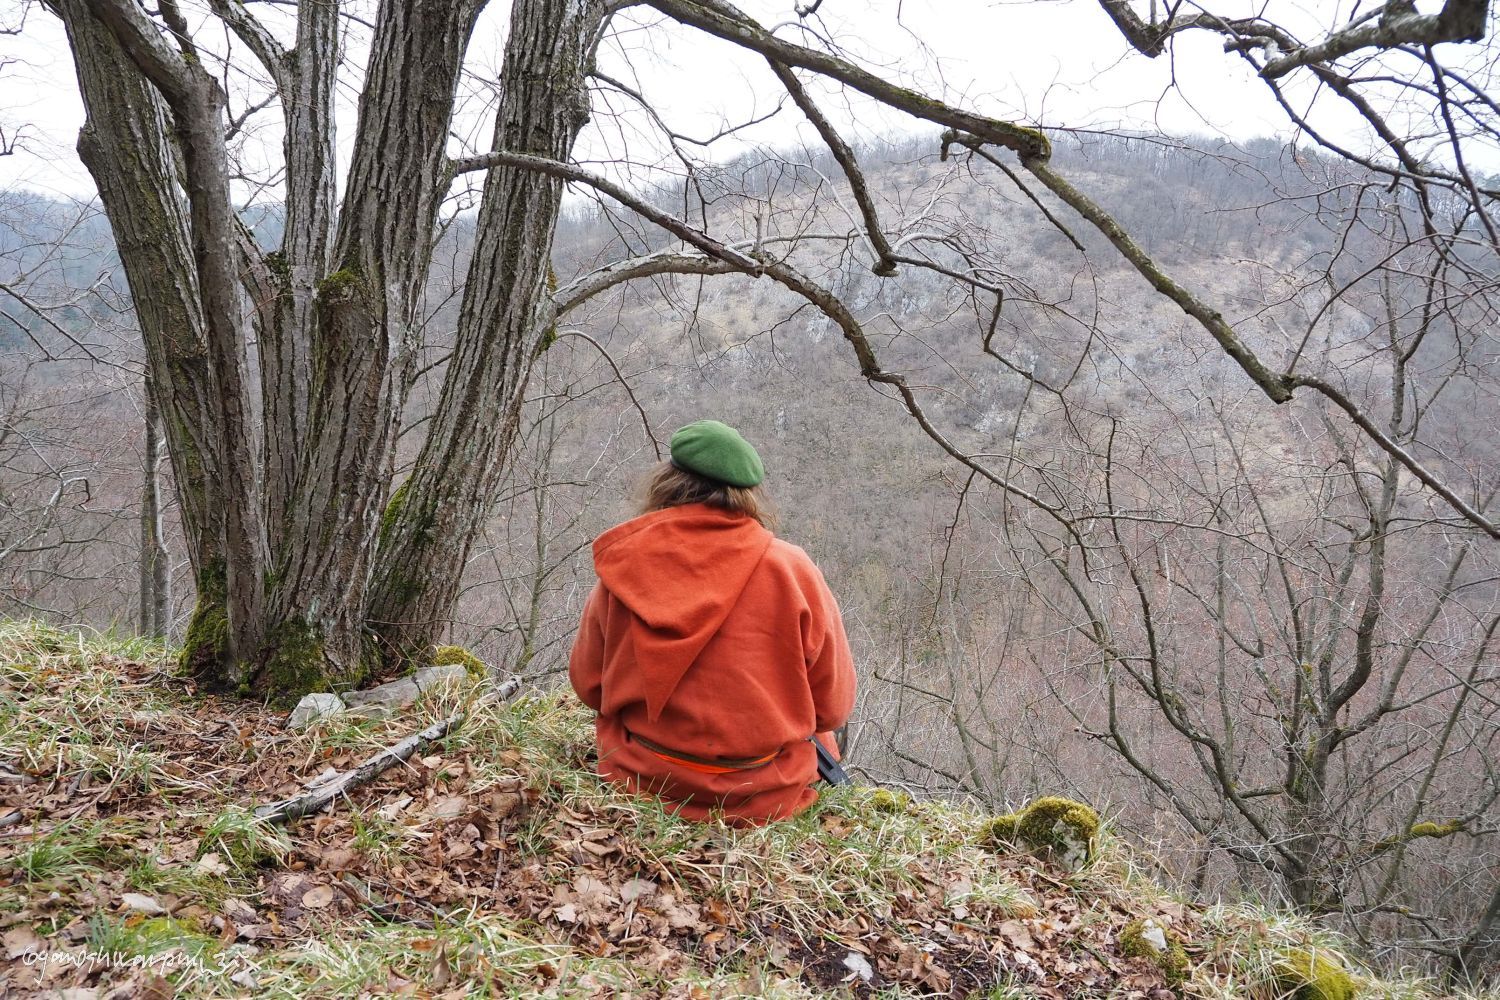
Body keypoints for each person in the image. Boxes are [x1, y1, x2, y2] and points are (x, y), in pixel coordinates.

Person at [568, 419, 856, 825]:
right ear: (747, 496)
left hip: (642, 778)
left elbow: (588, 684)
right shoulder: (791, 569)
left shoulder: (627, 562)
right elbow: (833, 706)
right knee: (819, 735)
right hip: (760, 796)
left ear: (667, 482)